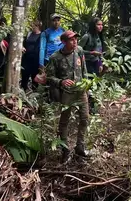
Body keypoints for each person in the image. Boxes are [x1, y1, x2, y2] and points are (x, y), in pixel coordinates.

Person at [46, 30, 89, 163]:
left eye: (76, 39)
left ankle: (80, 146)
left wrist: (87, 86)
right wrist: (61, 82)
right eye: (71, 40)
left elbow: (84, 69)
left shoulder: (79, 51)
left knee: (84, 118)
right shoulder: (55, 57)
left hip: (81, 90)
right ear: (64, 42)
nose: (75, 42)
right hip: (67, 93)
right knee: (64, 121)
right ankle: (65, 149)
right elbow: (49, 77)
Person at [21, 21, 42, 90]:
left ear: (38, 26)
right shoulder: (29, 34)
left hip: (36, 59)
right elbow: (23, 43)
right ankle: (23, 90)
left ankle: (34, 93)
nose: (32, 27)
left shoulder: (41, 35)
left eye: (34, 26)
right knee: (25, 74)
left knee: (35, 76)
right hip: (26, 58)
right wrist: (22, 47)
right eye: (32, 26)